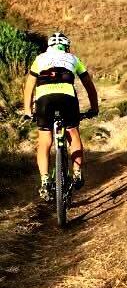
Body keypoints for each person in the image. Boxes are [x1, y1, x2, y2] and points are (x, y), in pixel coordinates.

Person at [22, 32, 99, 201]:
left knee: (44, 141)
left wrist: (28, 111)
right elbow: (89, 86)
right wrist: (94, 108)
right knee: (73, 133)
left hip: (44, 100)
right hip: (67, 98)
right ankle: (77, 173)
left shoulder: (40, 59)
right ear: (66, 46)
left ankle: (44, 181)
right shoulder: (73, 59)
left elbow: (29, 86)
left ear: (49, 46)